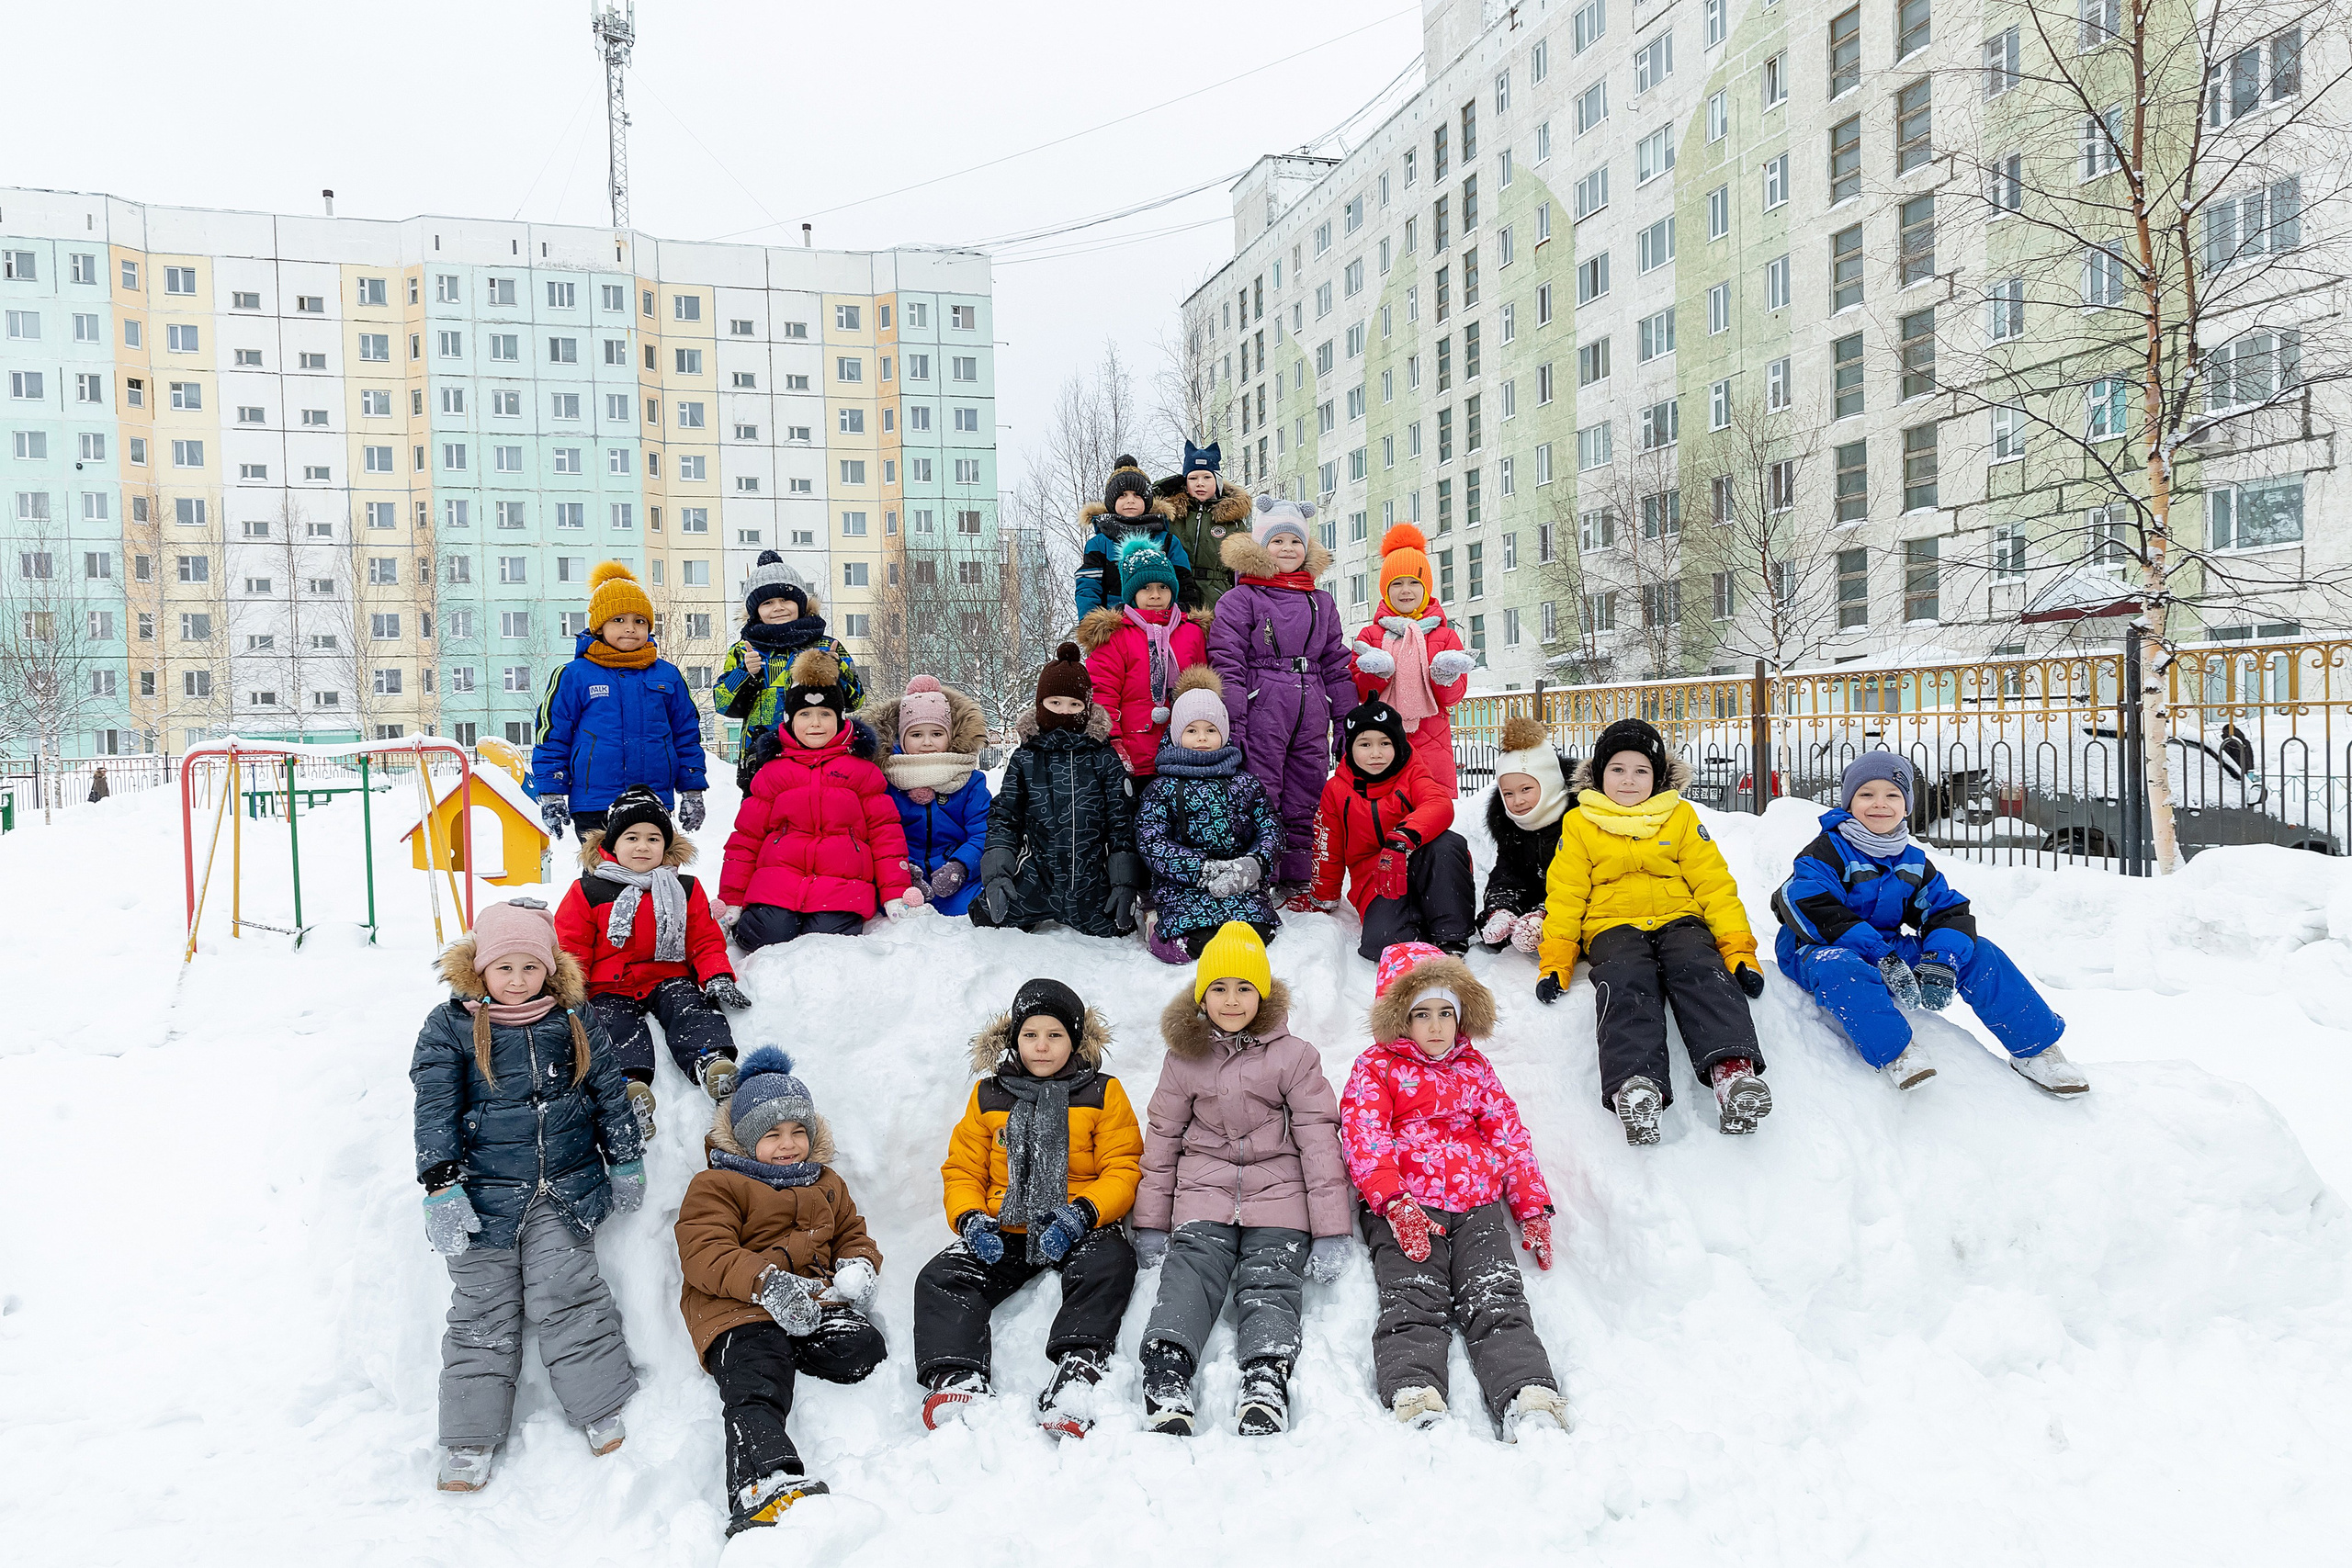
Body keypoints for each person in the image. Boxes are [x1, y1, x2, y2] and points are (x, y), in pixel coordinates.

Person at [410, 898, 646, 1493]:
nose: (518, 980)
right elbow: (434, 1106)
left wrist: (626, 1160)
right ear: (480, 968)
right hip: (482, 1195)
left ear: (550, 968)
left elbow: (609, 1090)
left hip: (561, 1188)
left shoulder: (571, 1017)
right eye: (504, 967)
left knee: (568, 1293)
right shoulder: (452, 1025)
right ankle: (467, 1438)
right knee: (481, 1308)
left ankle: (600, 1405)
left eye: (530, 967)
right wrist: (440, 1183)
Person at [1339, 942, 1569, 1440]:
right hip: (1406, 1205)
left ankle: (1526, 1392)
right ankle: (1414, 1389)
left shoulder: (1475, 1069)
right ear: (1399, 1015)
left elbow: (1507, 1134)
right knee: (1413, 1294)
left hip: (1476, 1205)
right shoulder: (1375, 1068)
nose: (1438, 1025)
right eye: (1422, 1013)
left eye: (1447, 1012)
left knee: (1496, 1293)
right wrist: (1394, 1202)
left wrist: (1530, 1205)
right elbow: (1364, 1137)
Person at [1132, 924, 1352, 1436]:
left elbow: (1319, 1139)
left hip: (1281, 1193)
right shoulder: (1183, 1057)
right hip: (1203, 1191)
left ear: (1264, 995)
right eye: (1219, 988)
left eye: (1244, 988)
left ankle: (1265, 1380)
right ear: (1201, 994)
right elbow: (1162, 1139)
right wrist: (1151, 1222)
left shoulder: (1295, 1057)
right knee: (1191, 1269)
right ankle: (1167, 1370)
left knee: (1272, 1278)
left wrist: (1331, 1229)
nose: (1231, 1000)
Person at [1774, 753, 2088, 1095]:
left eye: (1892, 795)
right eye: (1866, 794)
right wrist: (1879, 953)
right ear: (1849, 802)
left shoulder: (1911, 860)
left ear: (1907, 806)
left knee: (1979, 952)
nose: (1880, 804)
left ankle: (2037, 1050)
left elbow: (1947, 911)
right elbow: (1808, 904)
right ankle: (1898, 1053)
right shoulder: (1825, 852)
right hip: (1818, 950)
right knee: (1842, 967)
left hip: (1886, 950)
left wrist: (1942, 960)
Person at [913, 979, 1142, 1438]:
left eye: (1055, 1035)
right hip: (1006, 1225)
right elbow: (963, 1168)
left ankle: (1079, 1368)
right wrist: (972, 1219)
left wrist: (1082, 1213)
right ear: (1014, 1040)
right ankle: (958, 1377)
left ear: (1074, 1040)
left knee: (1111, 1263)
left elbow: (1123, 1166)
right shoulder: (988, 1095)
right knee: (941, 1278)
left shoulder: (1103, 1092)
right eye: (1031, 1035)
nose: (1042, 1046)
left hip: (1075, 1220)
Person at [674, 1048, 886, 1535]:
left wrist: (857, 1266)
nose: (788, 1145)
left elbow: (851, 1231)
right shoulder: (718, 1184)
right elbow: (704, 1251)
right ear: (749, 1140)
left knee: (863, 1349)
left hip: (810, 1300)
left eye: (798, 1133)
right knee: (758, 1374)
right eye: (772, 1135)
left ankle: (791, 1348)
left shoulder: (825, 1182)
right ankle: (761, 1481)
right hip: (737, 1307)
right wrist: (767, 1284)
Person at [1532, 718, 1771, 1145]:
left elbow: (1713, 884)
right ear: (1600, 773)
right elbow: (1566, 895)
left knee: (1701, 969)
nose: (1629, 780)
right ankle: (1636, 1085)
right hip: (1611, 926)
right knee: (1625, 981)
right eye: (1618, 769)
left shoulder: (1679, 816)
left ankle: (1733, 1075)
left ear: (1657, 776)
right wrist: (1557, 961)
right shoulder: (1581, 822)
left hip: (1680, 919)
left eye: (1641, 770)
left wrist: (1738, 951)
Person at [553, 784, 749, 1141]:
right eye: (632, 837)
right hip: (609, 983)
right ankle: (629, 1085)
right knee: (611, 1025)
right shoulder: (588, 890)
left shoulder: (685, 887)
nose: (643, 846)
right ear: (611, 845)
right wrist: (569, 992)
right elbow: (572, 946)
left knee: (691, 1007)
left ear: (666, 846)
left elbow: (704, 939)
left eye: (653, 838)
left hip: (667, 975)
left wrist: (717, 974)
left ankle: (711, 1061)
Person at [1207, 494, 1357, 902]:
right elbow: (1227, 659)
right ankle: (1261, 870)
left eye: (1295, 541)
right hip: (1264, 704)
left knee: (1306, 790)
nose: (1287, 549)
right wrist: (1235, 719)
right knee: (1262, 789)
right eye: (1278, 541)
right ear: (1261, 546)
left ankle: (1298, 872)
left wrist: (1346, 719)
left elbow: (1335, 661)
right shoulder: (1241, 599)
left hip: (1312, 705)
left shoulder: (1320, 601)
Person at [718, 649, 918, 953]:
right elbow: (746, 839)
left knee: (827, 940)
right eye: (805, 715)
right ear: (789, 719)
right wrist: (732, 896)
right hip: (778, 880)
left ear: (839, 718)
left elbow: (884, 835)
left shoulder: (862, 772)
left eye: (825, 714)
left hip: (841, 883)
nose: (815, 724)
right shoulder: (772, 773)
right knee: (767, 934)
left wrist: (895, 892)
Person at [972, 644, 1143, 940]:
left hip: (1091, 885)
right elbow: (1005, 817)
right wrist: (998, 874)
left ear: (1086, 707)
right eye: (1055, 703)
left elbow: (1121, 821)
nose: (1065, 711)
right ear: (1041, 704)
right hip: (1036, 881)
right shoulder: (1025, 758)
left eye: (1074, 705)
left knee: (1121, 928)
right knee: (983, 916)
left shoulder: (1103, 757)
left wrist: (1123, 882)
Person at [531, 561, 708, 839]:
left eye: (639, 621)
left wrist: (692, 789)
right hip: (595, 803)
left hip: (652, 800)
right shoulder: (574, 675)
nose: (630, 628)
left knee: (650, 874)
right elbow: (552, 736)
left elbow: (686, 734)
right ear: (599, 626)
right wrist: (552, 792)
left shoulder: (667, 675)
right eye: (618, 620)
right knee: (603, 878)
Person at [1135, 668, 1284, 964]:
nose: (1202, 738)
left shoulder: (1245, 782)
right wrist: (1201, 869)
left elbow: (1271, 829)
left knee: (1254, 935)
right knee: (1194, 944)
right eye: (1192, 730)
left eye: (1211, 730)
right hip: (1183, 884)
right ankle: (1156, 928)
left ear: (1224, 734)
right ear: (1178, 735)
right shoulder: (1162, 787)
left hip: (1239, 881)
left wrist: (1252, 865)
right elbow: (1152, 841)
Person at [1307, 699, 1476, 960]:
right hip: (1375, 881)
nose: (1376, 753)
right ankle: (1419, 929)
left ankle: (1451, 936)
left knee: (1446, 843)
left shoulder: (1413, 773)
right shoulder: (1337, 790)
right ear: (1350, 748)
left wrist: (1403, 839)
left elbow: (1439, 804)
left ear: (1397, 744)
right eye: (1365, 744)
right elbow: (1329, 845)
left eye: (1385, 743)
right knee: (1381, 945)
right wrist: (1324, 897)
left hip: (1421, 863)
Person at [715, 551, 864, 795]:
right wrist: (744, 673)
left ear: (800, 603)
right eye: (767, 603)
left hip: (820, 756)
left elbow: (857, 700)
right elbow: (722, 704)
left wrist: (839, 673)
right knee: (760, 825)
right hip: (760, 758)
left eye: (786, 600)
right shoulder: (744, 651)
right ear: (756, 610)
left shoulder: (826, 646)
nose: (778, 608)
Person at [1348, 525, 1477, 798]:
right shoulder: (1370, 635)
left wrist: (1444, 677)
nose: (1405, 591)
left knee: (1433, 819)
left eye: (1414, 583)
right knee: (1381, 818)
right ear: (1385, 589)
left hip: (1433, 744)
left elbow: (1452, 698)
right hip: (1381, 743)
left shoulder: (1446, 636)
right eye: (1397, 583)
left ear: (1426, 587)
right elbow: (1358, 693)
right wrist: (1377, 674)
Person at [1078, 536, 1211, 777]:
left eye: (1163, 587)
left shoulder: (1192, 632)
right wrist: (1112, 741)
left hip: (1185, 751)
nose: (1155, 595)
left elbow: (1204, 693)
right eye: (1145, 587)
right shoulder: (1115, 636)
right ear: (1131, 593)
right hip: (1132, 752)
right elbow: (1102, 691)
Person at [866, 673, 993, 918]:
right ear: (901, 739)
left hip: (958, 880)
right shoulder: (885, 780)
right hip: (901, 876)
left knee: (971, 911)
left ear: (951, 736)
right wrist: (903, 871)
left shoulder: (969, 781)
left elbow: (983, 831)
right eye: (916, 735)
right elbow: (877, 835)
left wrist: (961, 865)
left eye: (936, 734)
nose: (927, 743)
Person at [1476, 716, 1574, 958]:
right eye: (1508, 793)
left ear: (1549, 783)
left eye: (1526, 789)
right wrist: (1500, 907)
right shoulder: (1510, 825)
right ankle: (1507, 918)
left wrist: (1545, 913)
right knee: (1506, 896)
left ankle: (1540, 922)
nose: (1517, 801)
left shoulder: (1576, 821)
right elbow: (1507, 875)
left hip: (1569, 903)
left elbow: (1579, 884)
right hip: (1531, 895)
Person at [1074, 454, 1198, 616]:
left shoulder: (1167, 541)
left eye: (1137, 495)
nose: (1130, 500)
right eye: (1122, 495)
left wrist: (1185, 615)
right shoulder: (1099, 544)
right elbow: (1088, 586)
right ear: (1111, 502)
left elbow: (1184, 582)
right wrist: (1092, 623)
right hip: (1116, 624)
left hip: (1162, 622)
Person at [1154, 439, 1251, 606]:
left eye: (1207, 477)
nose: (1200, 483)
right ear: (1184, 482)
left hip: (1218, 597)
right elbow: (1142, 503)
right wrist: (1163, 487)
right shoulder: (1171, 514)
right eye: (1193, 478)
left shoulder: (1232, 520)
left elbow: (1241, 570)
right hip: (1177, 593)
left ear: (1217, 481)